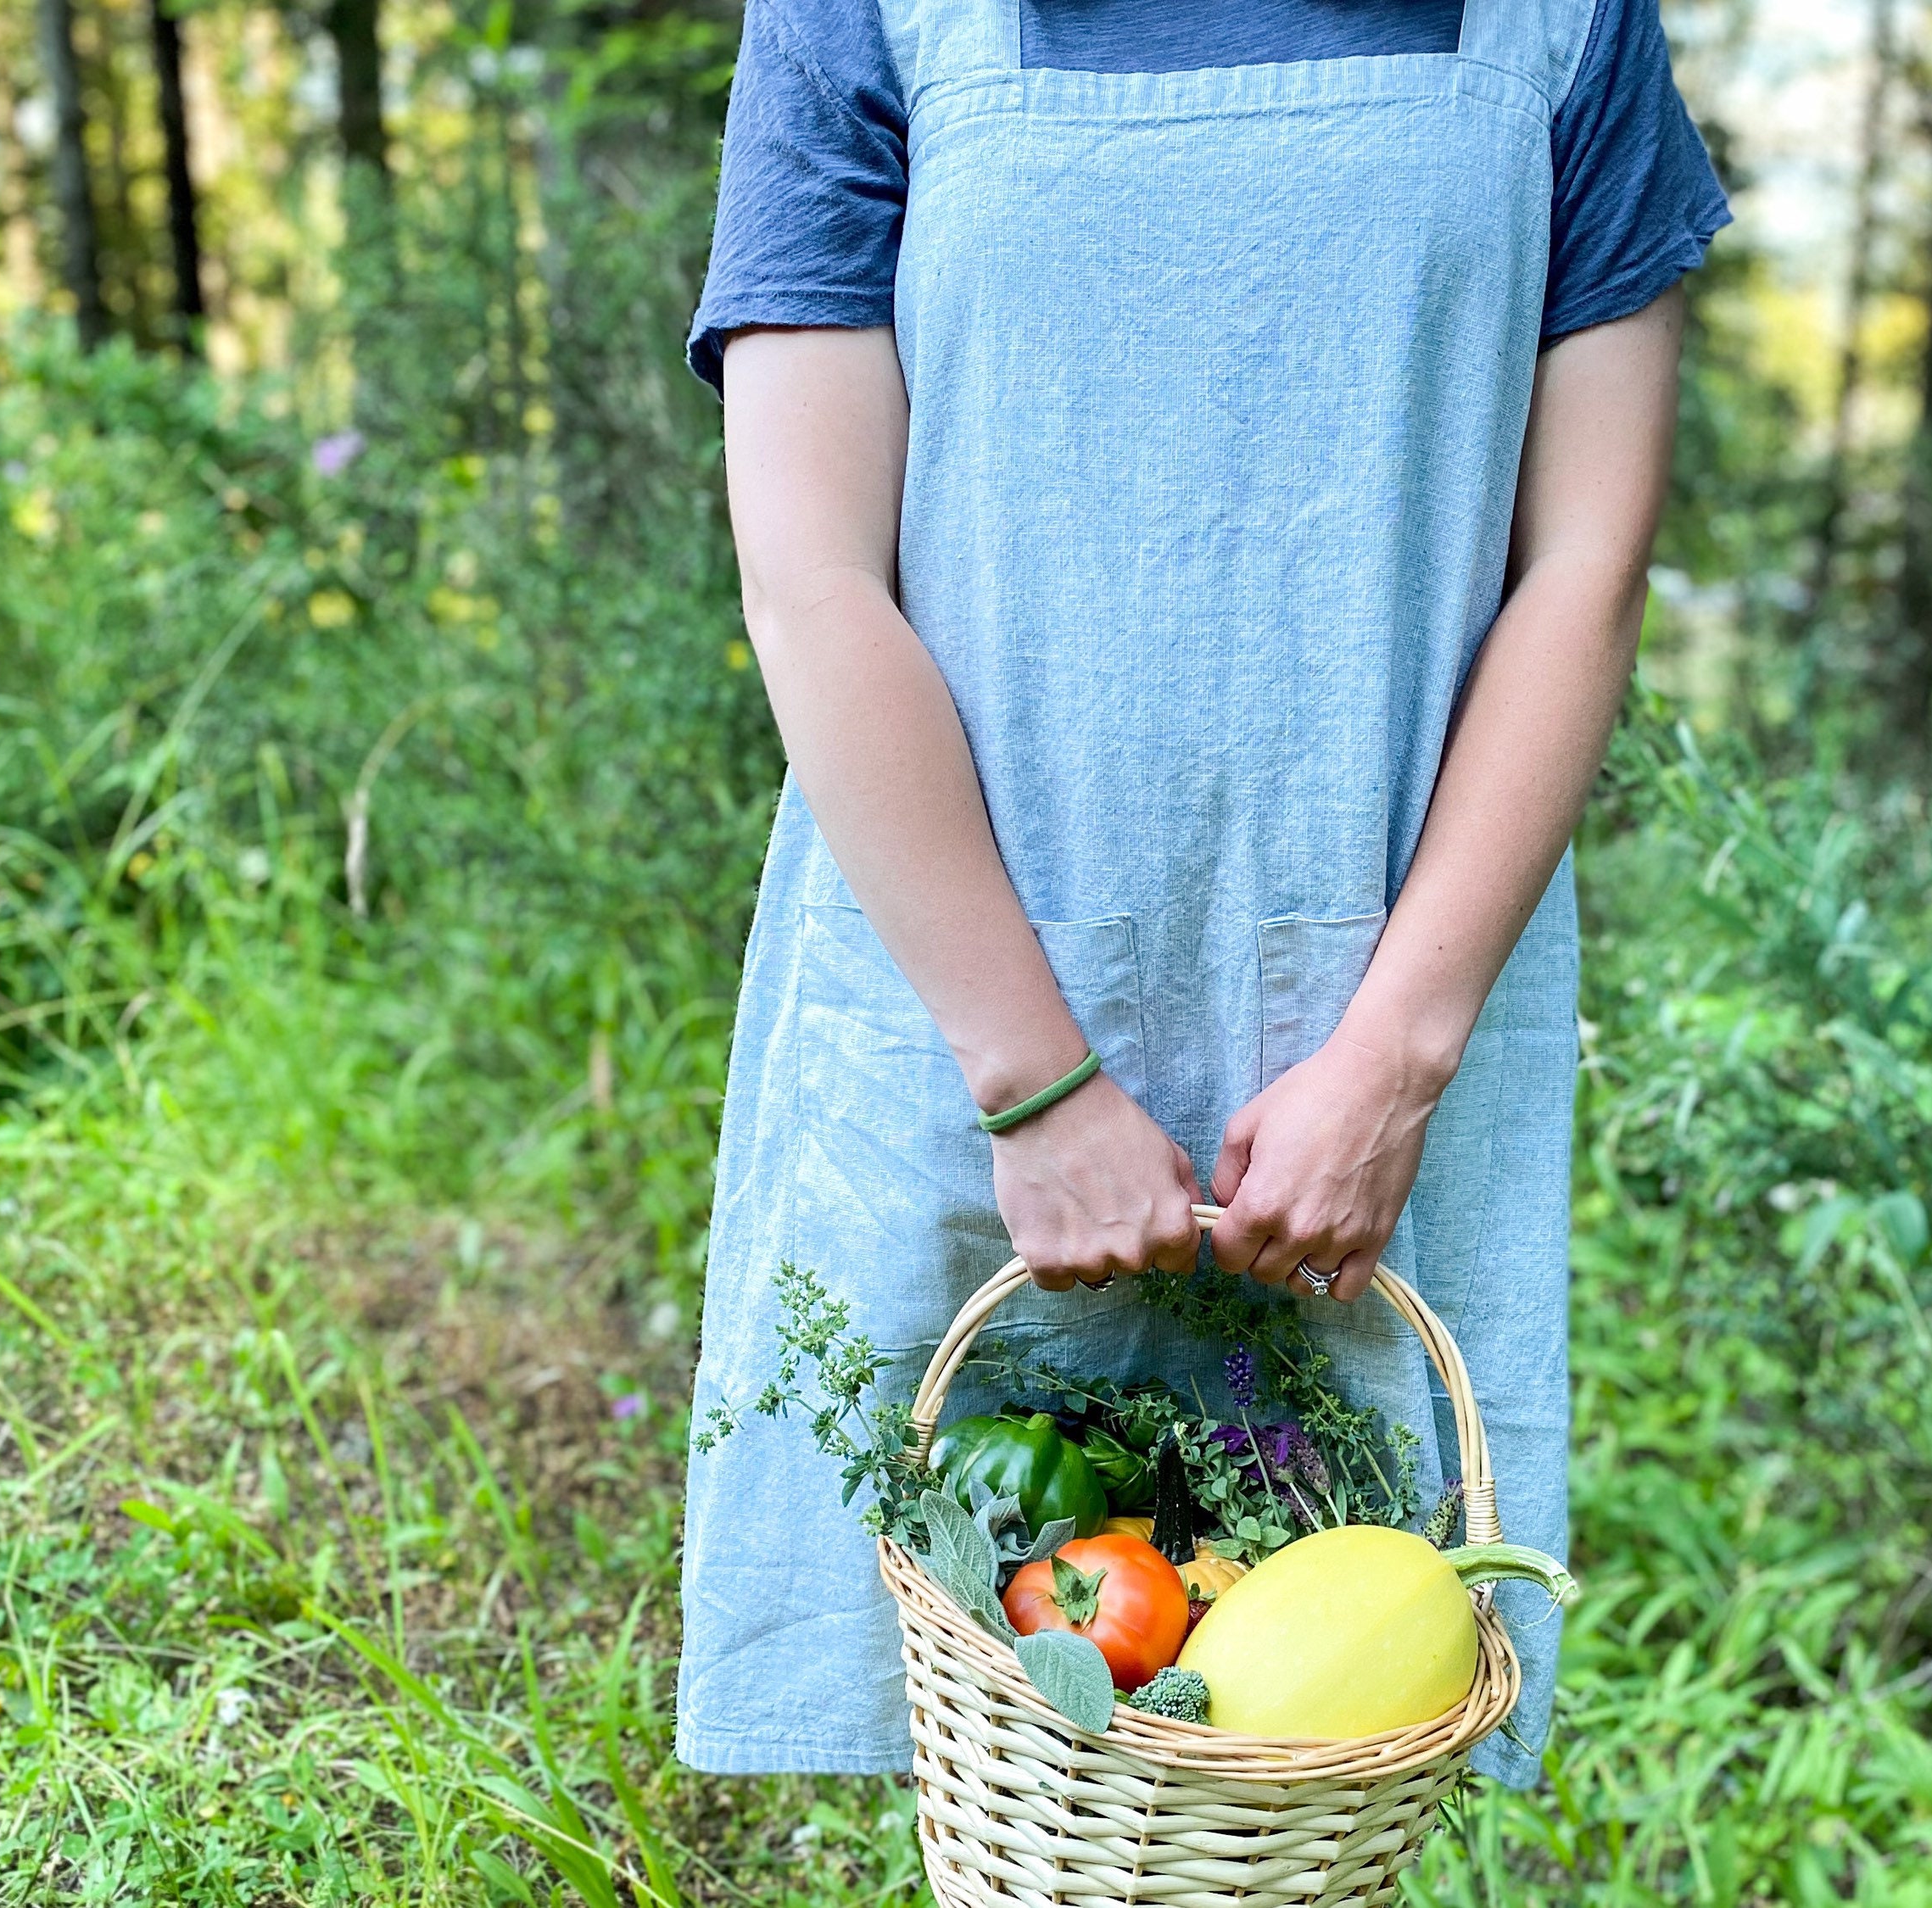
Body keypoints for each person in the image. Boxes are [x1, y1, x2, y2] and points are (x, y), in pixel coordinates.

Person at [678, 0, 1727, 1783]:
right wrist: (1034, 1080)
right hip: (968, 975)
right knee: (987, 1713)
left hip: (1389, 989)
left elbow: (1587, 565)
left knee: (1326, 1713)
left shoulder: (1564, 27)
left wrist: (1391, 1063)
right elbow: (809, 575)